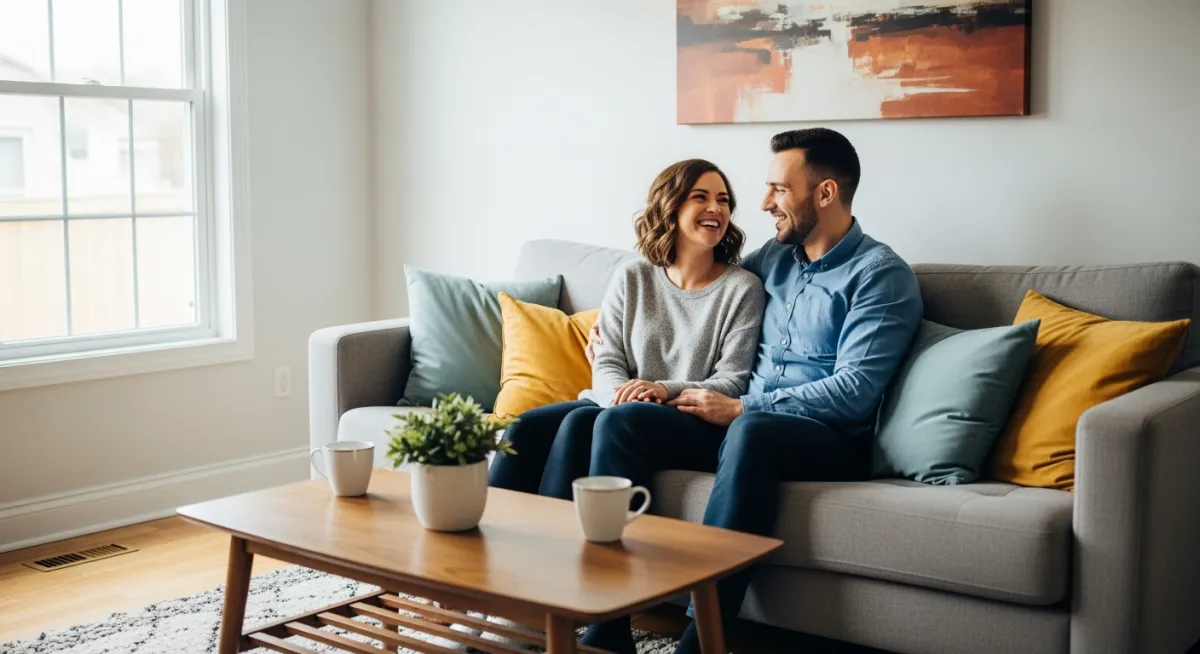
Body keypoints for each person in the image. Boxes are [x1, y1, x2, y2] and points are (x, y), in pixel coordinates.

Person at [576, 128, 924, 654]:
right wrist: (608, 323)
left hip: (825, 439)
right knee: (620, 422)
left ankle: (703, 638)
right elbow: (696, 282)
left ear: (824, 193)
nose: (763, 204)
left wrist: (742, 405)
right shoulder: (772, 259)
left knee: (754, 431)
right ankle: (608, 623)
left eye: (779, 190)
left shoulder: (879, 275)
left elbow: (855, 391)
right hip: (736, 424)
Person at [487, 158, 766, 501]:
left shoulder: (743, 288)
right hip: (618, 406)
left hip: (692, 419)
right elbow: (607, 358)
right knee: (526, 426)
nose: (715, 208)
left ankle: (589, 544)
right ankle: (491, 543)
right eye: (701, 197)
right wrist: (622, 397)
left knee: (584, 424)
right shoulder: (633, 277)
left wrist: (661, 390)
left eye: (723, 200)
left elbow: (733, 380)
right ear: (671, 206)